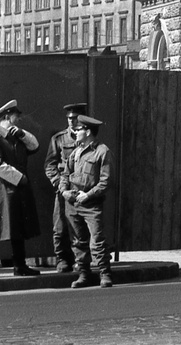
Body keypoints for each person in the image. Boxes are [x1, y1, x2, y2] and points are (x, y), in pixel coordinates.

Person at [62, 112, 112, 289]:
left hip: (91, 204)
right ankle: (84, 275)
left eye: (78, 129)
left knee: (97, 240)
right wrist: (64, 191)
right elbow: (65, 175)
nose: (75, 132)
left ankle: (105, 274)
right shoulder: (75, 152)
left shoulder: (102, 151)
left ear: (88, 131)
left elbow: (105, 182)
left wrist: (88, 195)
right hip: (73, 203)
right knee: (78, 241)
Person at [0, 98, 41, 278]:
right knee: (6, 226)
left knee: (18, 228)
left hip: (17, 189)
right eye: (17, 116)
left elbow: (35, 145)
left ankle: (20, 265)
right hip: (4, 189)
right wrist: (18, 178)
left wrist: (22, 133)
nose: (19, 119)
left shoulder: (17, 136)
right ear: (8, 116)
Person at [44, 102, 86, 274]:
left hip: (82, 189)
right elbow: (50, 164)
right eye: (69, 118)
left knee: (80, 227)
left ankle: (80, 260)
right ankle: (62, 259)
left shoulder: (88, 137)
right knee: (60, 226)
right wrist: (58, 183)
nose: (71, 121)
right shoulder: (59, 139)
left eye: (75, 118)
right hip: (64, 188)